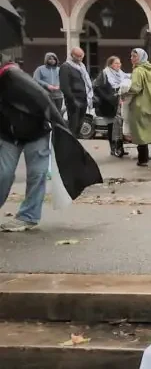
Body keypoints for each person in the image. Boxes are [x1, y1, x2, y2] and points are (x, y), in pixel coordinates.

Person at [0, 59, 53, 232]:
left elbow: (46, 103)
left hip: (36, 133)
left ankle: (28, 216)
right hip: (9, 136)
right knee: (3, 175)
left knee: (37, 174)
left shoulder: (22, 82)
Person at [94, 56, 130, 156]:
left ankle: (119, 148)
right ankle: (113, 148)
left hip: (118, 102)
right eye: (116, 63)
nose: (118, 65)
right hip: (109, 104)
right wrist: (109, 97)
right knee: (111, 127)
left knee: (119, 126)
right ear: (110, 64)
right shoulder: (105, 74)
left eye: (119, 63)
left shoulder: (121, 74)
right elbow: (97, 87)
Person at [59, 47, 91, 138]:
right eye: (78, 56)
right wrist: (73, 100)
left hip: (84, 99)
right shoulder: (66, 67)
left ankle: (75, 144)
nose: (81, 58)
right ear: (72, 55)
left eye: (82, 56)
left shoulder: (82, 66)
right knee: (73, 125)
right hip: (74, 100)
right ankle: (69, 146)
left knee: (79, 125)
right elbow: (64, 86)